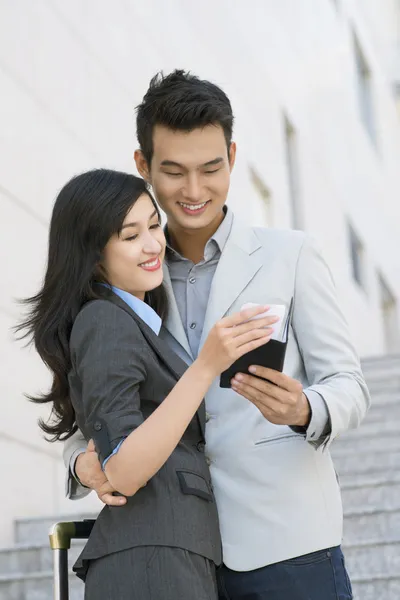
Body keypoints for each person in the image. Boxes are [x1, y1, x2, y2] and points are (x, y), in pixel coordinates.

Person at [64, 72, 371, 600]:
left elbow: (350, 386)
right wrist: (79, 462)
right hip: (178, 551)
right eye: (174, 172)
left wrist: (303, 408)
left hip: (288, 543)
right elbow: (95, 394)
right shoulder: (129, 275)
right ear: (142, 166)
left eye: (211, 168)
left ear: (232, 155)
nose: (194, 191)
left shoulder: (290, 255)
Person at [17, 168, 279, 599]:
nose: (154, 244)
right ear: (93, 252)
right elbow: (122, 470)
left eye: (154, 226)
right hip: (150, 562)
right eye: (129, 234)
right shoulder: (104, 321)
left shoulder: (136, 324)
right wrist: (205, 367)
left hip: (176, 554)